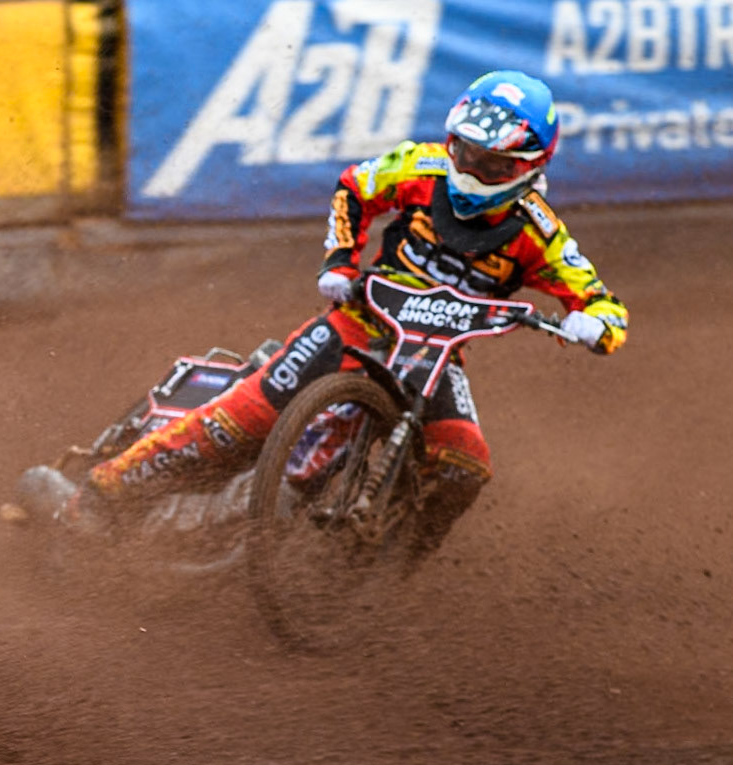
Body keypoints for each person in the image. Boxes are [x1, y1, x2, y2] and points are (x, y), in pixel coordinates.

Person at [78, 71, 628, 554]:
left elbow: (604, 304)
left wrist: (595, 324)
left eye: (492, 164)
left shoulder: (541, 235)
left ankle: (394, 561)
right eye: (465, 152)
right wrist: (341, 261)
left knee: (464, 465)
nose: (472, 169)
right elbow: (354, 188)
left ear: (530, 167)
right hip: (357, 323)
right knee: (239, 421)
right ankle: (104, 492)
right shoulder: (420, 167)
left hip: (435, 357)